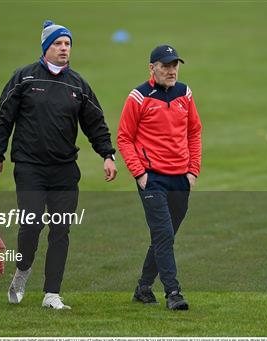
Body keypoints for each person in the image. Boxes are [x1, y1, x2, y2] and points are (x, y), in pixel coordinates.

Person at [0, 20, 117, 309]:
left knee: (61, 230)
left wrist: (107, 154)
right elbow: (4, 117)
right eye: (58, 43)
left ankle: (52, 294)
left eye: (67, 43)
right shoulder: (24, 79)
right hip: (30, 167)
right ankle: (22, 271)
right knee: (31, 225)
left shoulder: (78, 85)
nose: (64, 48)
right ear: (46, 47)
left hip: (64, 170)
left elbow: (95, 124)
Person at [117, 44, 202, 310]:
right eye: (165, 66)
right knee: (164, 234)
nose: (171, 70)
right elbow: (124, 137)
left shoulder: (184, 93)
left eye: (174, 65)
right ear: (152, 68)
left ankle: (143, 288)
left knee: (164, 237)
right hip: (152, 178)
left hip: (181, 178)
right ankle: (173, 293)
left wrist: (192, 171)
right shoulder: (139, 97)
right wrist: (139, 173)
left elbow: (194, 132)